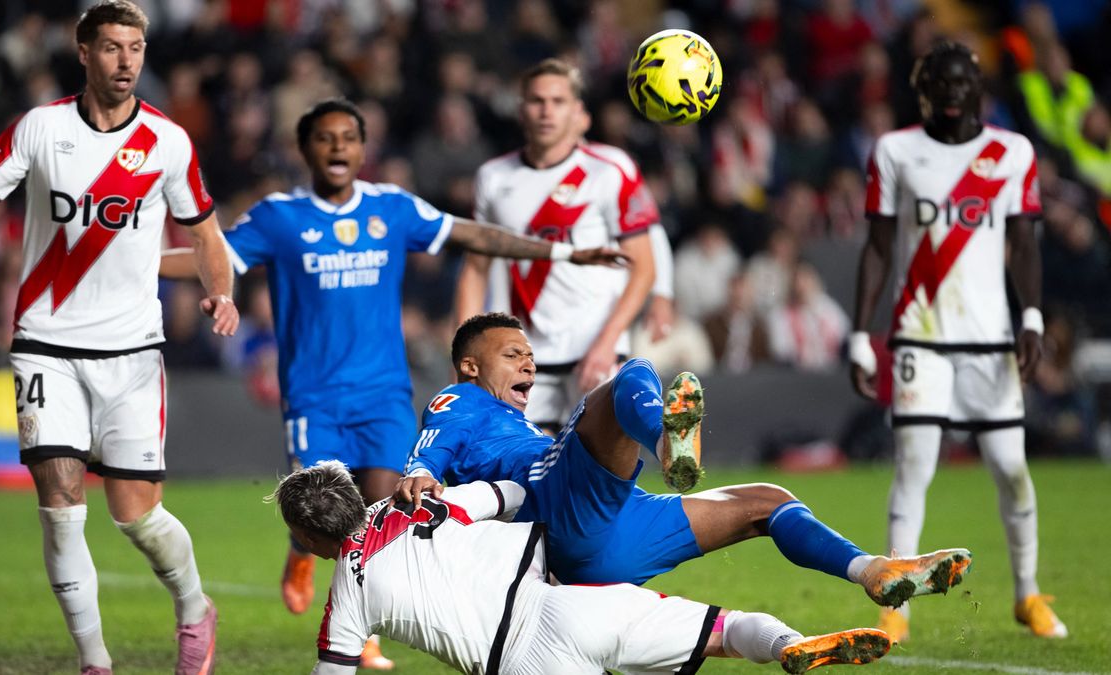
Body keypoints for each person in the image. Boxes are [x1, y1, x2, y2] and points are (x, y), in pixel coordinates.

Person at [160, 97, 623, 667]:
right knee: (319, 509)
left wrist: (564, 252)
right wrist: (130, 260)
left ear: (363, 148)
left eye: (349, 137)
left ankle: (363, 632)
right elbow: (211, 256)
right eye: (325, 137)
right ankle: (299, 550)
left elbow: (473, 235)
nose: (338, 146)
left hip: (383, 393)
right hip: (314, 397)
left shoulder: (391, 209)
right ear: (305, 149)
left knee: (381, 510)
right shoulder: (280, 217)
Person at [0, 3, 235, 673]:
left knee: (136, 516)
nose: (126, 61)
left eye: (136, 48)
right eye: (113, 47)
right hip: (46, 344)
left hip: (131, 353)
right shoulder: (41, 128)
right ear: (84, 51)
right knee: (61, 506)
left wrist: (223, 292)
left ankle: (194, 609)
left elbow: (206, 234)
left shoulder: (168, 142)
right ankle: (95, 663)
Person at [398, 313, 972, 616]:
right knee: (630, 374)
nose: (528, 363)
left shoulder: (509, 419)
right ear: (470, 367)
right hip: (557, 505)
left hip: (607, 541)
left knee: (767, 502)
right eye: (512, 354)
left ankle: (872, 571)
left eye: (529, 354)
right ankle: (668, 443)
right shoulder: (459, 398)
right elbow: (433, 444)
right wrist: (421, 471)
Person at [271, 460, 894, 675]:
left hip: (521, 663)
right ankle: (787, 643)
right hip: (569, 602)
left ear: (307, 536)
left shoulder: (347, 593)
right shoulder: (422, 504)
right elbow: (512, 493)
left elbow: (334, 670)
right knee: (723, 629)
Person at [850, 41, 1066, 641]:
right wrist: (861, 334)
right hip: (920, 337)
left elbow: (1023, 243)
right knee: (914, 468)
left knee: (1011, 468)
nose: (950, 92)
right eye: (937, 83)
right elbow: (877, 248)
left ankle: (1027, 594)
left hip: (990, 341)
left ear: (978, 89)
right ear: (921, 91)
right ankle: (896, 607)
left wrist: (1031, 319)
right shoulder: (895, 151)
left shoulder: (1011, 152)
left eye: (960, 82)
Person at [455, 58, 658, 434]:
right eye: (537, 101)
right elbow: (475, 270)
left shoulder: (608, 171)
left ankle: (664, 435)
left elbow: (644, 267)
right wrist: (466, 353)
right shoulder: (493, 178)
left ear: (577, 111)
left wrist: (608, 342)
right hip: (521, 354)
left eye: (558, 101)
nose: (546, 111)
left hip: (596, 348)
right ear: (521, 110)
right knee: (523, 466)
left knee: (599, 464)